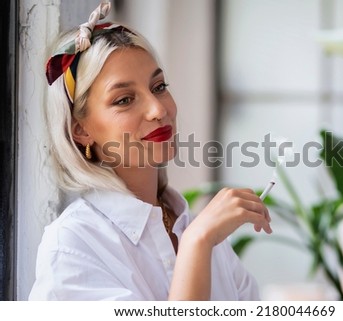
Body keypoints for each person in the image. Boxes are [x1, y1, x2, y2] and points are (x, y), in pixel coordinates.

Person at [28, 1, 272, 301]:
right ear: (80, 130)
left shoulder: (201, 232)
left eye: (158, 87)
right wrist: (196, 244)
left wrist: (199, 237)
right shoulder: (72, 246)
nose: (159, 110)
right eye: (124, 100)